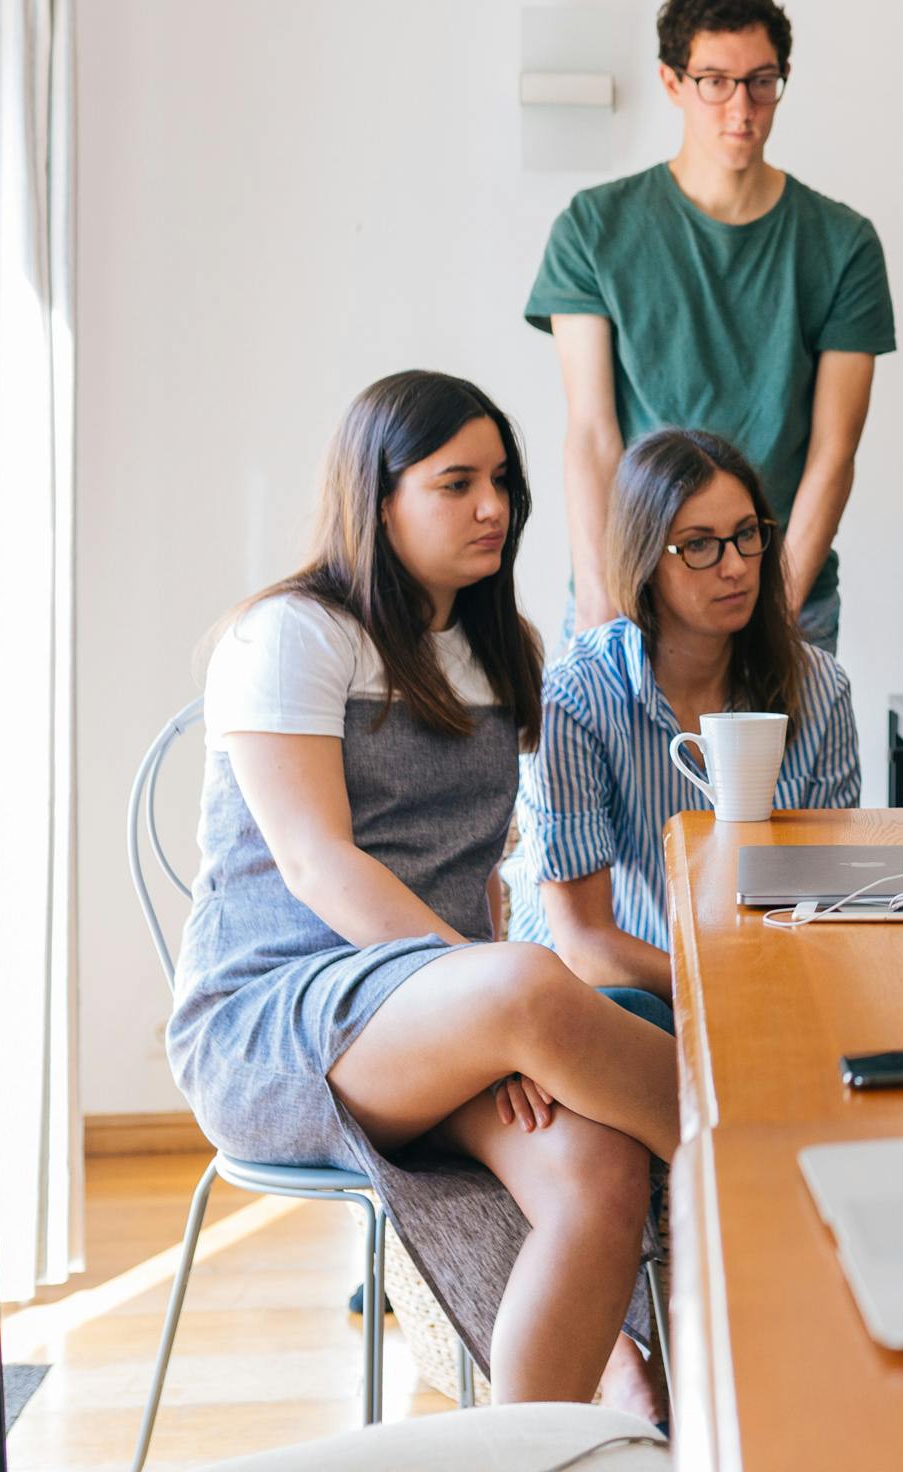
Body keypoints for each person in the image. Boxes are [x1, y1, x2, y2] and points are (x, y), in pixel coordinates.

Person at [170, 372, 671, 1413]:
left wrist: (489, 1010)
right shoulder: (292, 634)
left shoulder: (502, 652)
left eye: (502, 481)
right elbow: (319, 863)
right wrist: (491, 999)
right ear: (379, 494)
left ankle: (532, 1443)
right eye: (457, 482)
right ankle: (782, 1154)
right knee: (535, 983)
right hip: (278, 1019)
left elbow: (478, 869)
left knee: (602, 1173)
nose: (494, 505)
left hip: (448, 1014)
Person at [529, 0, 895, 649]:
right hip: (633, 593)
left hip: (785, 593)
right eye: (715, 82)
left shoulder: (843, 245)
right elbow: (592, 435)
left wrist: (774, 617)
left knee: (786, 763)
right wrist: (602, 605)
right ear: (673, 82)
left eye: (762, 81)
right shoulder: (593, 229)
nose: (741, 108)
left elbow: (833, 452)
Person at [509, 429, 860, 1030]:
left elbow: (828, 901)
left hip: (761, 979)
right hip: (606, 992)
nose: (735, 567)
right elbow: (585, 943)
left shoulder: (821, 687)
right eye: (699, 545)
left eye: (747, 535)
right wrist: (723, 986)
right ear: (644, 559)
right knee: (640, 1013)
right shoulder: (576, 696)